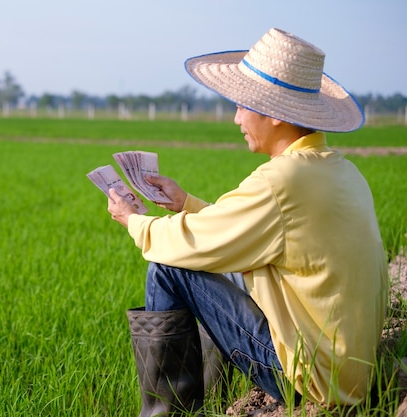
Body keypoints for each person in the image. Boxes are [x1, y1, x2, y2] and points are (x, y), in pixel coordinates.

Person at [106, 28, 388, 416]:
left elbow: (196, 244)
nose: (236, 118)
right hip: (352, 371)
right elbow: (250, 233)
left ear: (272, 114)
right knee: (214, 260)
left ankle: (166, 412)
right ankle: (213, 397)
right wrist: (186, 203)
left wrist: (134, 221)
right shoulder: (340, 170)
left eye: (242, 106)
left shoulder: (281, 180)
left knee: (171, 267)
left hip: (311, 378)